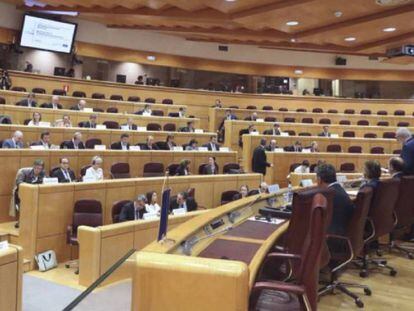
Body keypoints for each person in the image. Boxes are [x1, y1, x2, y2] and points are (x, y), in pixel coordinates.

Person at [316, 163, 354, 236]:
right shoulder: (339, 189)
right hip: (344, 232)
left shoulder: (328, 195)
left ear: (319, 180)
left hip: (333, 236)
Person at [13, 159, 46, 227]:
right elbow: (19, 183)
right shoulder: (24, 172)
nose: (38, 170)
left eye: (40, 168)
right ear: (33, 166)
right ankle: (22, 221)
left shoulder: (42, 173)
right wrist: (31, 187)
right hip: (22, 193)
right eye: (36, 168)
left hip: (36, 194)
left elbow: (46, 181)